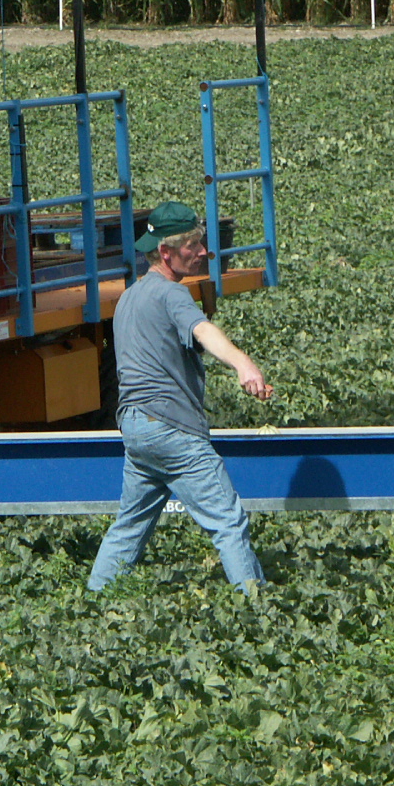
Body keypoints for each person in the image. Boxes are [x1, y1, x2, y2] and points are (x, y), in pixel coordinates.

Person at [87, 201, 273, 594]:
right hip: (172, 428)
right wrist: (244, 364)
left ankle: (94, 601)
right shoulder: (172, 295)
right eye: (192, 244)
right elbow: (203, 331)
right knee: (227, 519)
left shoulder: (127, 300)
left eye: (201, 242)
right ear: (166, 252)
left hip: (136, 429)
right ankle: (257, 609)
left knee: (130, 524)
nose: (202, 251)